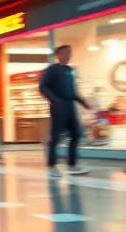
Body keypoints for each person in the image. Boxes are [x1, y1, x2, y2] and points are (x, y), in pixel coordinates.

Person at [38, 44, 92, 176]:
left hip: (70, 107)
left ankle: (72, 165)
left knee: (76, 134)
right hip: (59, 108)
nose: (68, 55)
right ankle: (52, 167)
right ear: (58, 55)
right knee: (55, 137)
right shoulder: (51, 70)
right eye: (66, 53)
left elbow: (72, 91)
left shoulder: (70, 70)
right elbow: (42, 87)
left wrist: (83, 102)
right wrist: (55, 100)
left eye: (70, 53)